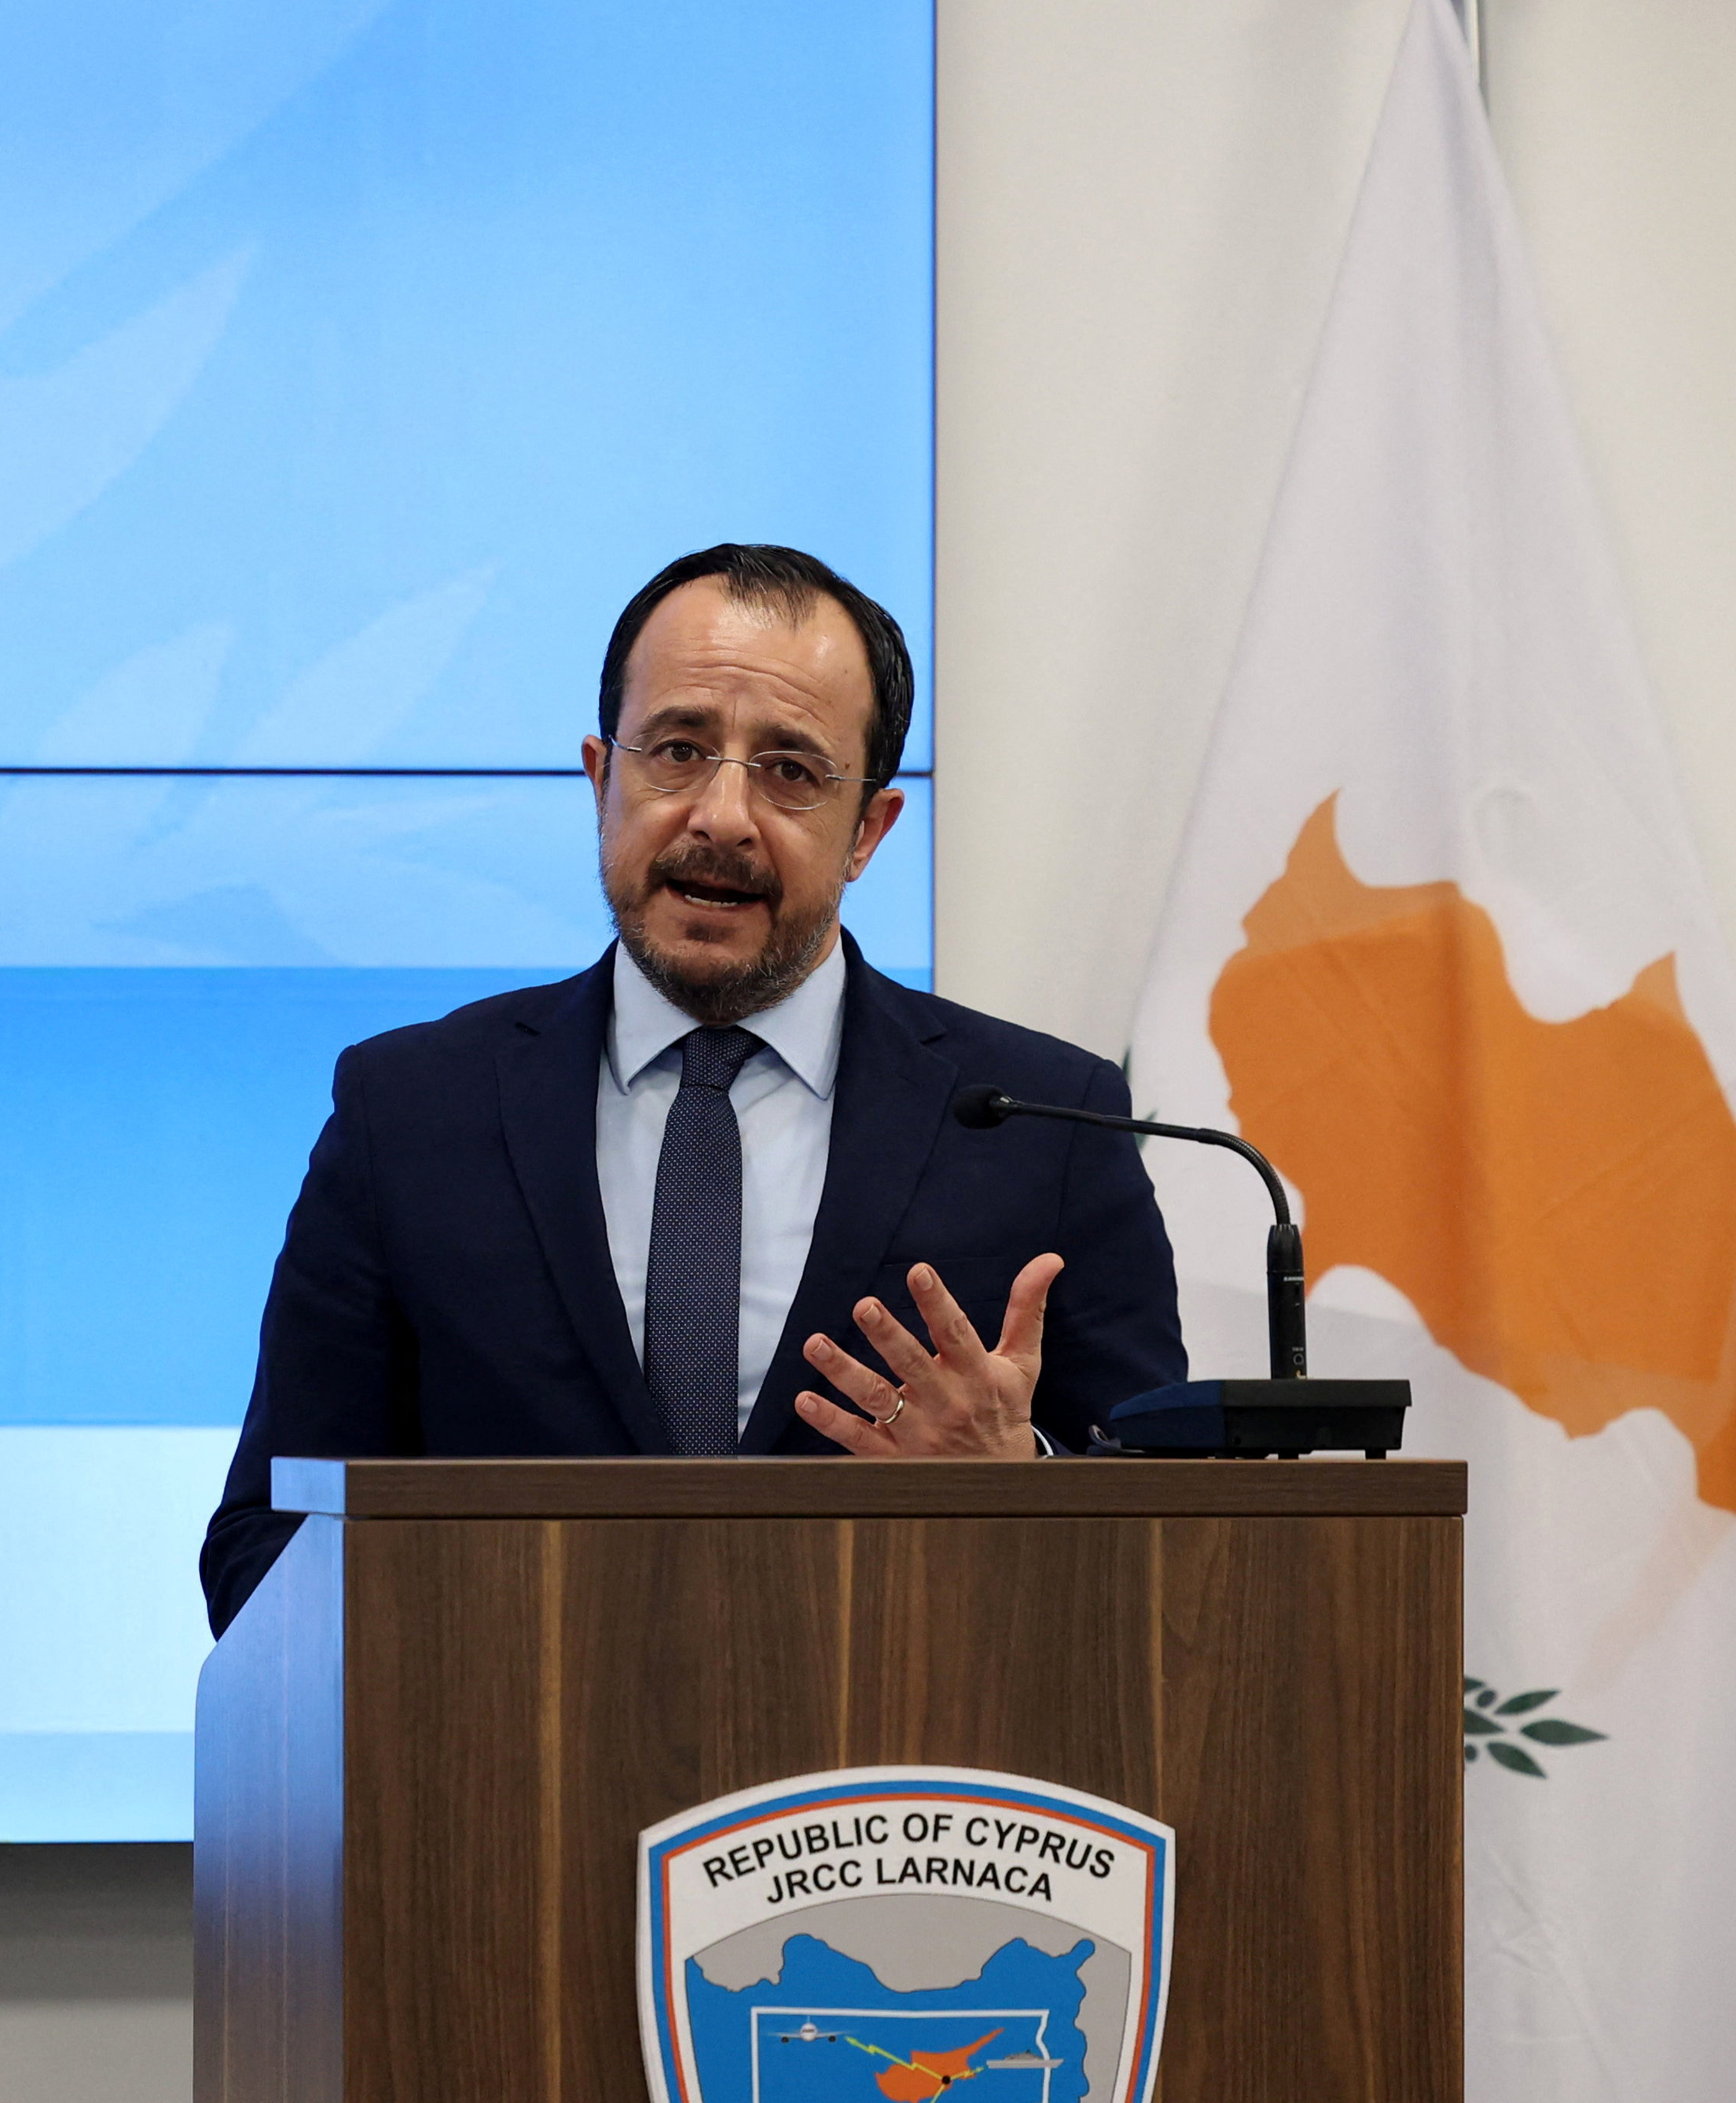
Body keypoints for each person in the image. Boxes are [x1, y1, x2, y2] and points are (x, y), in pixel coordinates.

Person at [202, 543, 1184, 1635]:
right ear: (600, 780)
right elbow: (264, 1546)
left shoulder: (1044, 1122)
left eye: (791, 771)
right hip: (511, 1732)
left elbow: (1180, 1564)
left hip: (900, 1739)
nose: (722, 816)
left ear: (867, 831)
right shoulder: (409, 1110)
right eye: (676, 752)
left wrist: (1022, 1480)